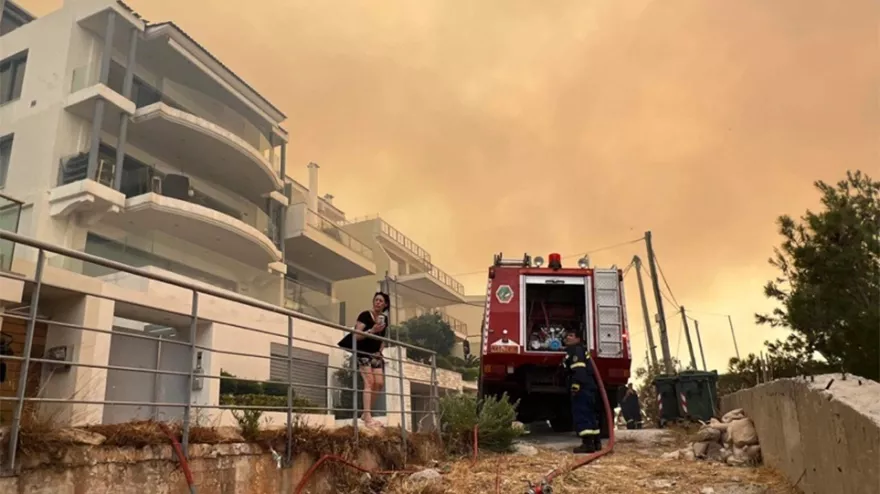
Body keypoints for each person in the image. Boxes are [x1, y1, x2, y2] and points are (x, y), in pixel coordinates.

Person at [353, 292, 390, 427]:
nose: (378, 302)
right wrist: (372, 330)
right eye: (376, 300)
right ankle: (368, 417)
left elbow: (383, 339)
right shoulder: (364, 315)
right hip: (363, 353)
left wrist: (380, 351)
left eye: (381, 301)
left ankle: (365, 413)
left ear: (385, 304)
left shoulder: (384, 319)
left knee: (379, 383)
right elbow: (356, 336)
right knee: (369, 382)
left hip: (375, 354)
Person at [563, 329, 601, 454]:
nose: (567, 337)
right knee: (591, 415)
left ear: (578, 339)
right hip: (589, 387)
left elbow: (579, 369)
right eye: (566, 336)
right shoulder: (581, 350)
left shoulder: (575, 350)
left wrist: (575, 386)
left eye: (571, 335)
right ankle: (596, 443)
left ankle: (587, 444)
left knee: (582, 414)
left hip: (582, 388)